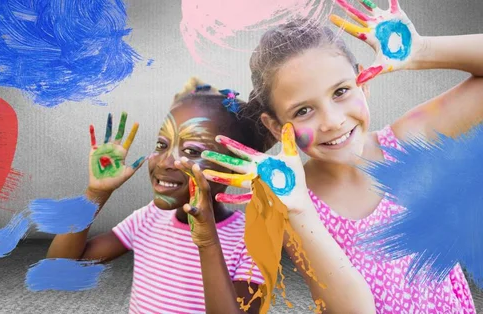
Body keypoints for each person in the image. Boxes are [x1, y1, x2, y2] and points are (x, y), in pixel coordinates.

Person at [201, 1, 479, 313]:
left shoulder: (406, 144)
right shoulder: (293, 202)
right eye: (303, 110)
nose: (332, 121)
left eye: (341, 91)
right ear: (276, 126)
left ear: (364, 83)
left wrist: (422, 50)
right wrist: (300, 211)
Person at [47, 78, 269, 314]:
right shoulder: (148, 219)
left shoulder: (253, 241)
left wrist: (207, 242)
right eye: (162, 145)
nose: (164, 162)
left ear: (236, 166)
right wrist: (96, 193)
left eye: (191, 151)